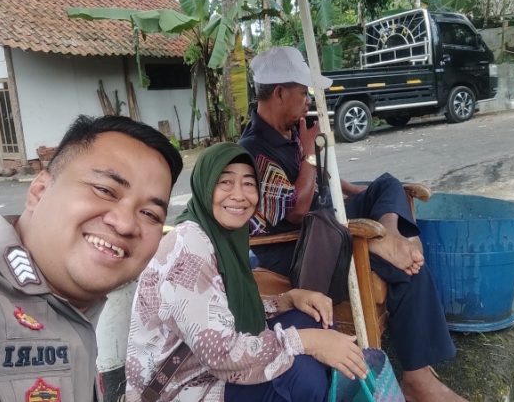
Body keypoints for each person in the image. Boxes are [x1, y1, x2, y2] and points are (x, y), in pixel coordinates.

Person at [239, 46, 467, 402]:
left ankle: (389, 236)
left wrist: (355, 191)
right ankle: (418, 380)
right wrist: (310, 151)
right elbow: (297, 209)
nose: (307, 100)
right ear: (280, 92)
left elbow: (320, 179)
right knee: (406, 267)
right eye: (303, 92)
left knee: (387, 184)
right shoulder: (253, 151)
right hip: (299, 247)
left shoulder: (288, 133)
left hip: (327, 224)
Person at [0, 115, 183, 402]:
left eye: (150, 214)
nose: (125, 224)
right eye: (105, 190)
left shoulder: (80, 312)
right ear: (39, 191)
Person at [124, 142, 367, 402]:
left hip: (203, 364)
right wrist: (309, 342)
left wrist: (285, 300)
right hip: (179, 387)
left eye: (249, 183)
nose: (239, 195)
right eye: (225, 182)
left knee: (313, 320)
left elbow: (221, 309)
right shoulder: (189, 248)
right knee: (302, 376)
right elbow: (221, 354)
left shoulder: (221, 234)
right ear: (205, 185)